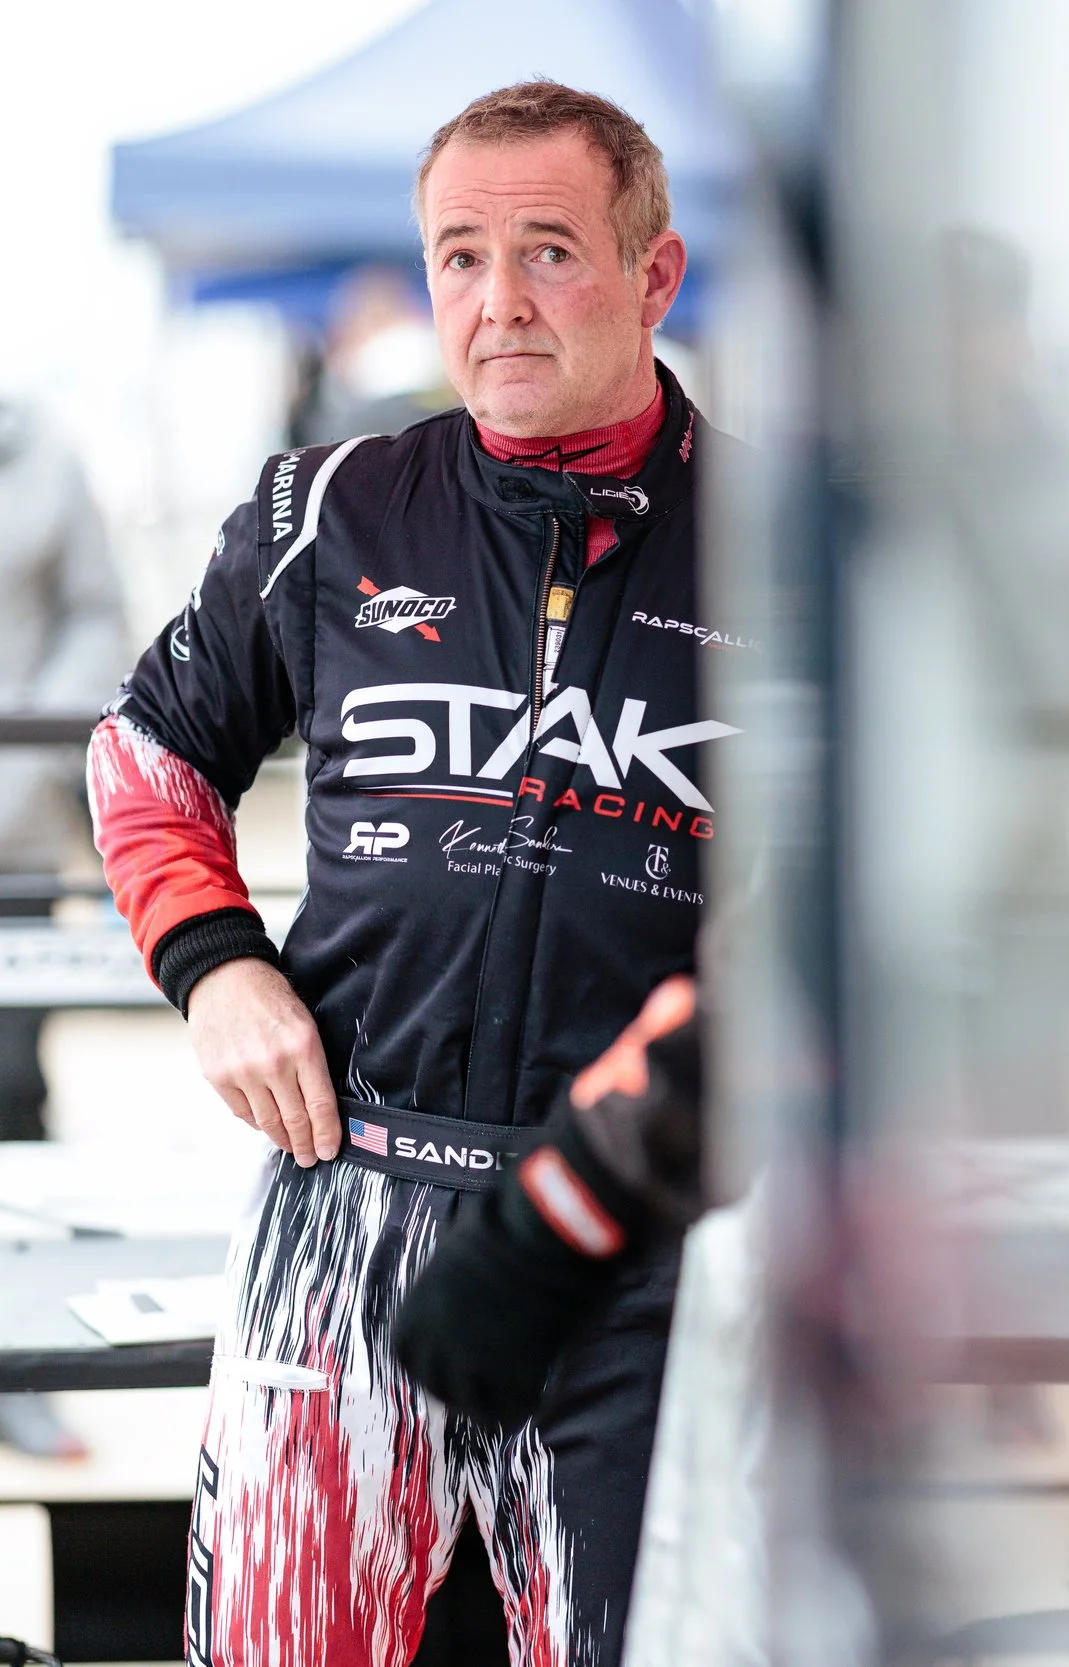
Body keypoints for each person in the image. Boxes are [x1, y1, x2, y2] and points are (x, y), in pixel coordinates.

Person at [88, 81, 727, 1667]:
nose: (498, 302)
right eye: (459, 255)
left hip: (628, 1232)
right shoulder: (332, 509)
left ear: (656, 274)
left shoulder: (785, 546)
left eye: (550, 252)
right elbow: (148, 755)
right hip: (349, 1197)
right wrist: (216, 964)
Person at [0, 397, 125, 1464]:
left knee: (8, 1100)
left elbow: (98, 616)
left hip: (12, 844)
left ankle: (18, 1367)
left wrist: (20, 764)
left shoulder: (43, 446)